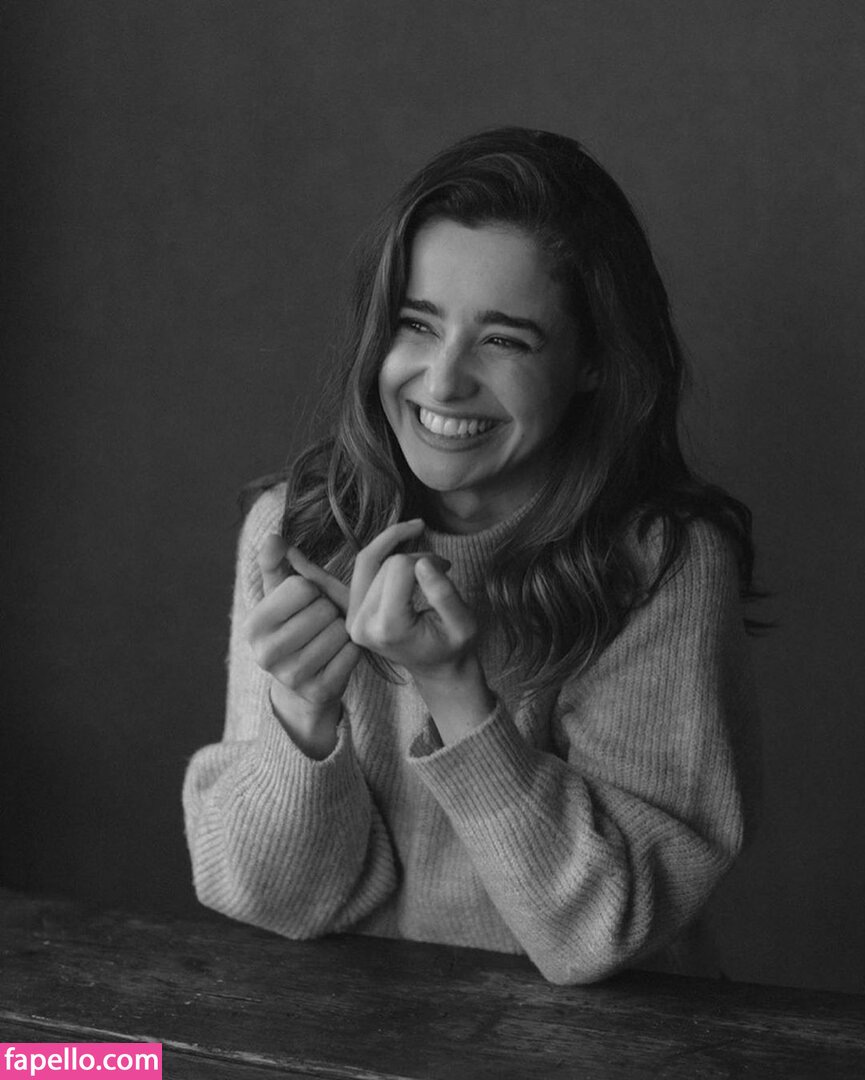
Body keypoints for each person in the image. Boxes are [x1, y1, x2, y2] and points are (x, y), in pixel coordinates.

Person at [182, 127, 762, 985]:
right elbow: (275, 900)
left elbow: (599, 932)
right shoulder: (296, 531)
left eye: (504, 340)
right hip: (346, 1031)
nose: (443, 380)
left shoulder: (663, 564)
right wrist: (302, 716)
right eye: (416, 325)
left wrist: (455, 691)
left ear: (594, 361)